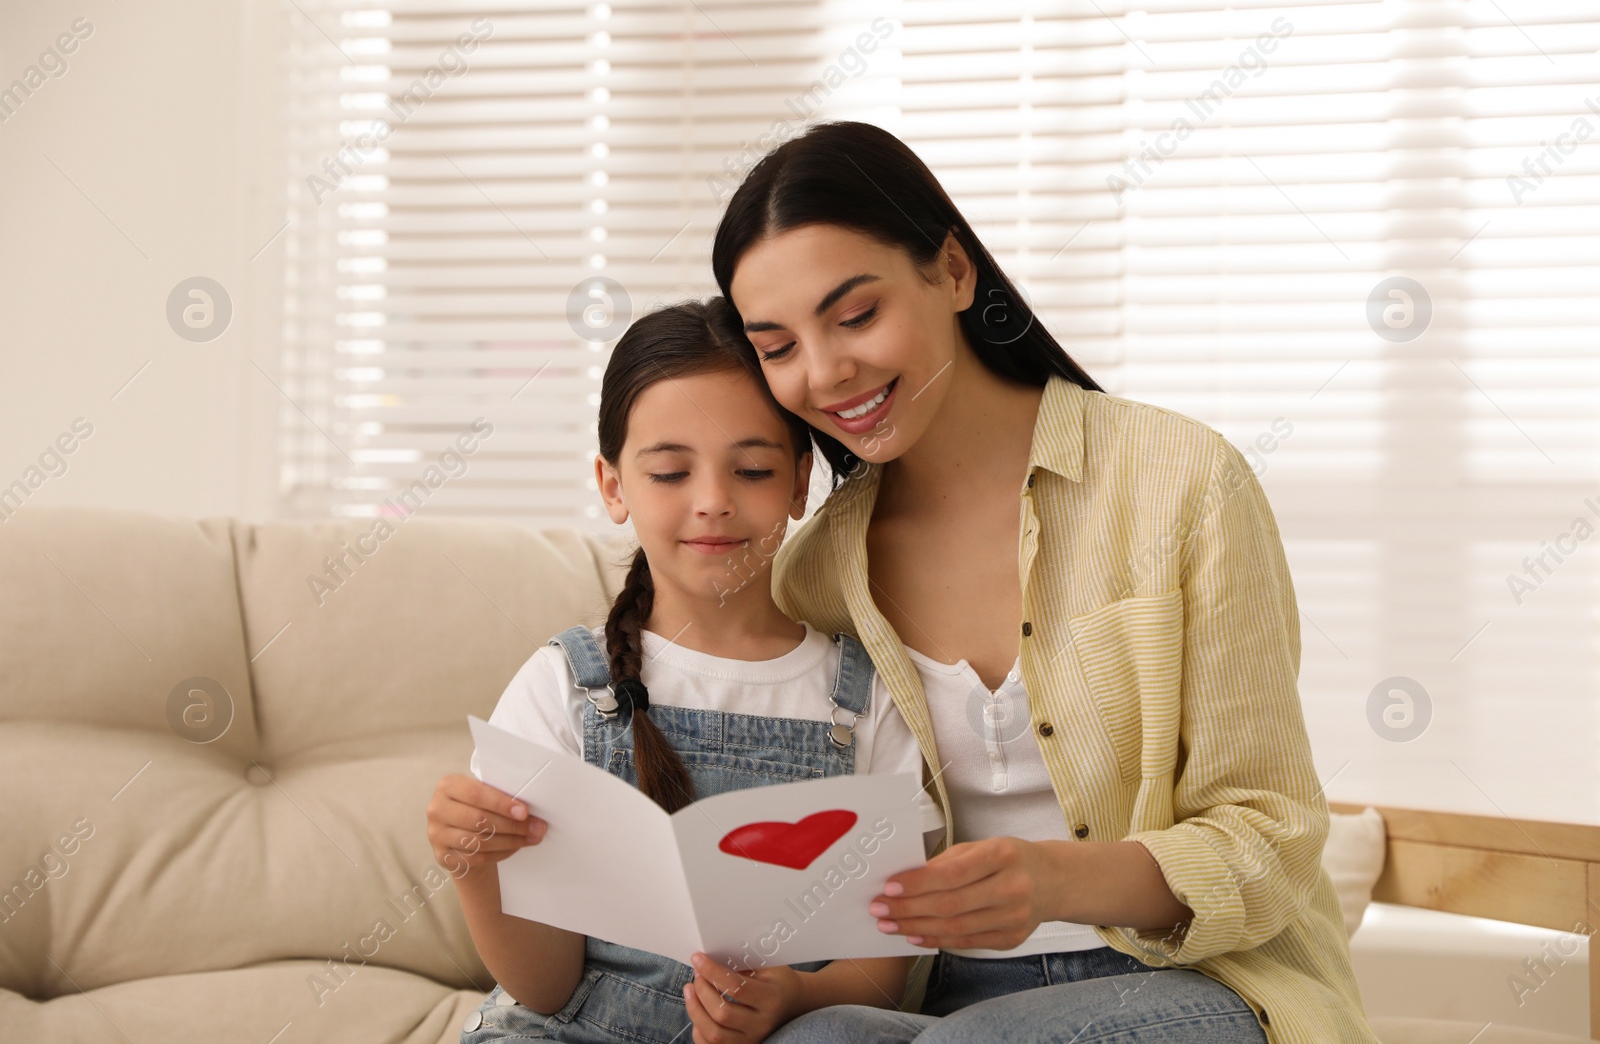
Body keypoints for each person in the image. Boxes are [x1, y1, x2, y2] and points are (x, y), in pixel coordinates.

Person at [706, 121, 1379, 1043]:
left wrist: (1057, 878)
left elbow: (1273, 834)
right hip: (945, 997)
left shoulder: (1179, 480)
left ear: (952, 270)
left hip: (1201, 980)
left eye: (856, 315)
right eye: (778, 347)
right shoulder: (815, 573)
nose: (826, 373)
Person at [426, 297, 943, 1044]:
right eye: (670, 472)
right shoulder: (567, 685)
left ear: (800, 483)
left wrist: (794, 996)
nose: (712, 502)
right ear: (612, 486)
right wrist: (474, 864)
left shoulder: (862, 701)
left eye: (753, 468)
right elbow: (544, 985)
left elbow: (880, 971)